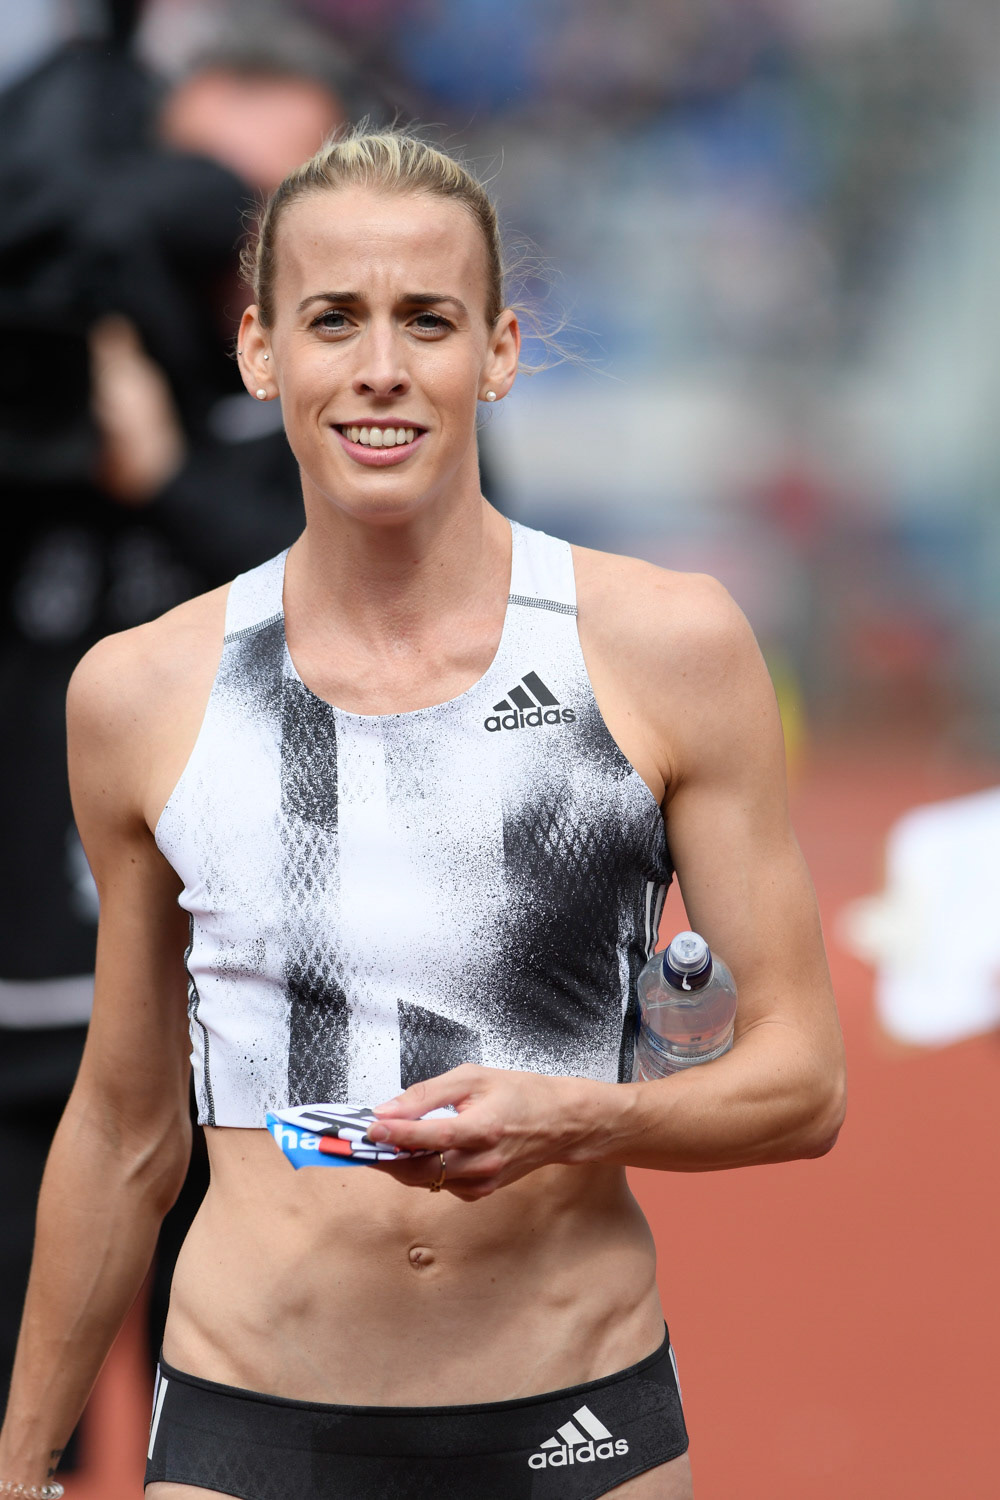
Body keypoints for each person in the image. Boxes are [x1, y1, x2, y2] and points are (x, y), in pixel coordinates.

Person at [0, 128, 846, 1500]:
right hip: (246, 1420)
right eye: (332, 319)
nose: (380, 368)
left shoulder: (666, 645)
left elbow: (802, 1083)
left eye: (428, 320)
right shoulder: (140, 693)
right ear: (261, 352)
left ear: (499, 351)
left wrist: (571, 1119)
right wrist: (24, 1458)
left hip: (577, 1417)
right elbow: (124, 1127)